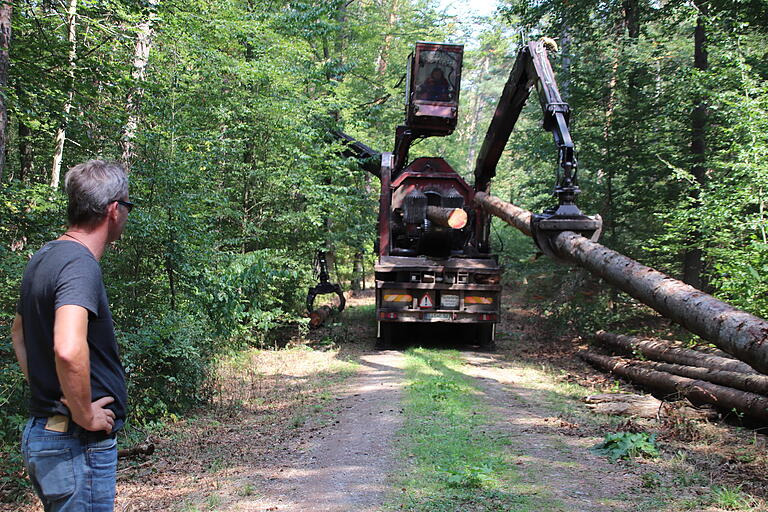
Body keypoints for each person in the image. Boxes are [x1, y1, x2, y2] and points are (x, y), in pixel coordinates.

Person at [11, 159, 132, 511]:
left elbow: (18, 333)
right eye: (127, 206)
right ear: (113, 209)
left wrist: (51, 390)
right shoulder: (80, 264)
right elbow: (67, 347)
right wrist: (83, 413)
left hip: (45, 435)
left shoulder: (45, 255)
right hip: (75, 444)